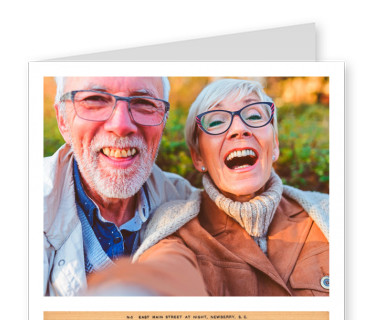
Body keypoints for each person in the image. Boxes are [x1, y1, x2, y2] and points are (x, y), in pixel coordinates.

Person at [87, 78, 329, 296]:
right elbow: (166, 271)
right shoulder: (177, 229)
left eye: (254, 116)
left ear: (274, 144)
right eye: (216, 121)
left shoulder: (328, 213)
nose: (239, 129)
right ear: (198, 157)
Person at [44, 76, 198, 296]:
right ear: (62, 120)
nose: (121, 125)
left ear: (163, 121)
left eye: (144, 103)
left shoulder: (187, 204)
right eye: (95, 99)